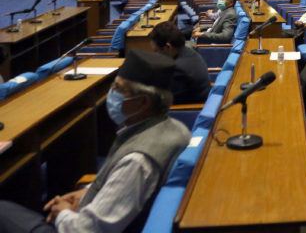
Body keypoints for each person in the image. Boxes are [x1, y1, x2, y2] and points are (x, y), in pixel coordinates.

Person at [0, 49, 190, 233]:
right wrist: (86, 194)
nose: (112, 94)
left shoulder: (137, 160)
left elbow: (87, 229)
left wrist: (62, 213)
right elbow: (122, 188)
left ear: (143, 102)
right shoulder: (174, 128)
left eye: (119, 89)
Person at [149, 21, 209, 104]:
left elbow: (161, 100)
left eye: (156, 51)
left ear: (167, 47)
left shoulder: (178, 69)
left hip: (184, 112)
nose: (155, 54)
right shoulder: (189, 52)